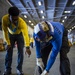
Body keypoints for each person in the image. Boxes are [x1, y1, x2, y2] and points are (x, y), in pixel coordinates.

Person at [2, 6, 31, 75]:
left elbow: (25, 35)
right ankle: (7, 69)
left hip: (19, 35)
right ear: (9, 16)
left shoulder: (22, 23)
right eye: (13, 19)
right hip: (10, 35)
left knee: (20, 52)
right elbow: (5, 31)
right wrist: (8, 43)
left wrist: (27, 47)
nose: (15, 21)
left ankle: (19, 69)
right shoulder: (5, 19)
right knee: (9, 52)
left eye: (16, 19)